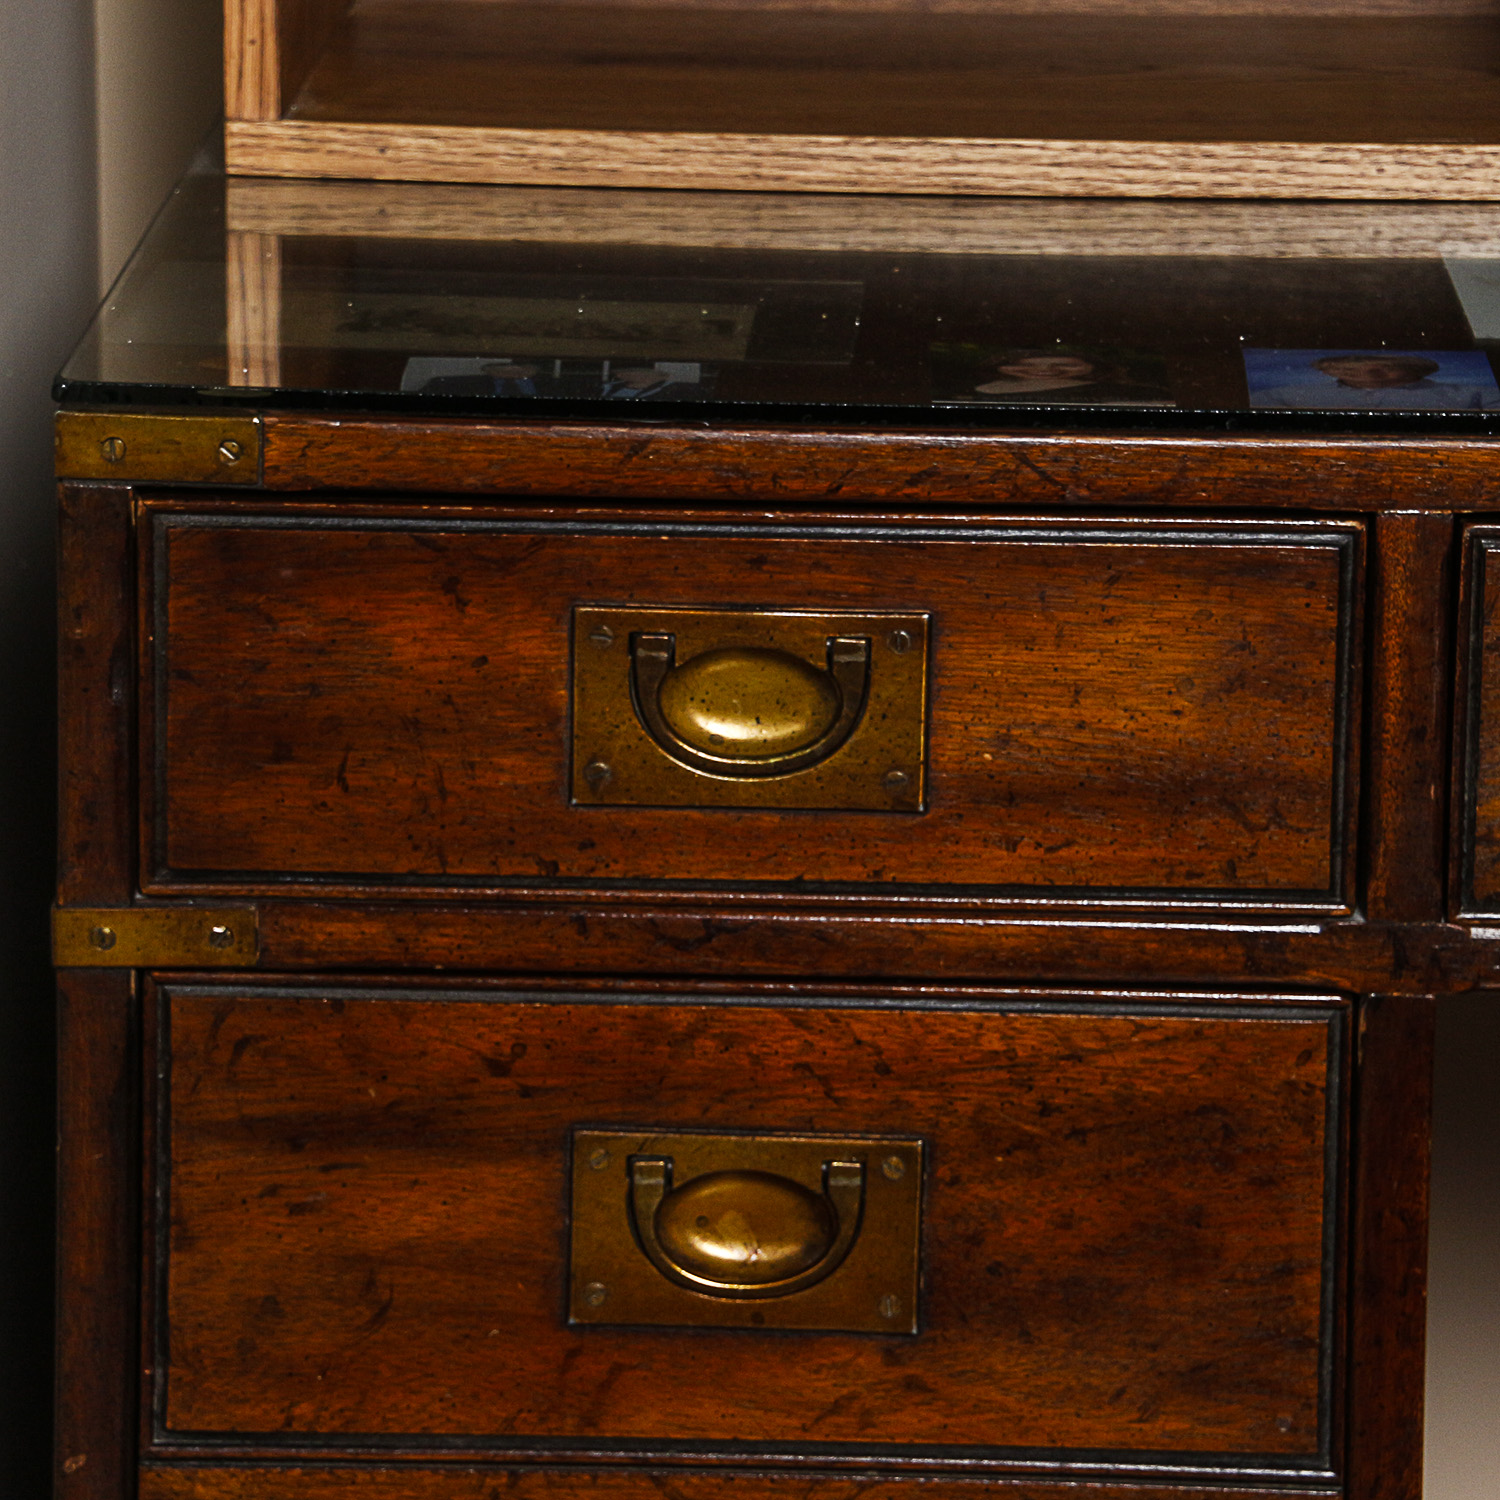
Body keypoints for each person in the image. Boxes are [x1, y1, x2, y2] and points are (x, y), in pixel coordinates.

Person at [1253, 353, 1500, 410]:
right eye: (1352, 366)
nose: (1371, 373)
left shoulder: (1474, 396)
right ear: (1328, 370)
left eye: (1388, 368)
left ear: (1419, 371)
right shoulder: (1284, 398)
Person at [957, 351, 1172, 406]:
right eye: (1023, 366)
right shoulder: (966, 395)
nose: (1047, 371)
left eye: (1066, 364)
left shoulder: (1136, 394)